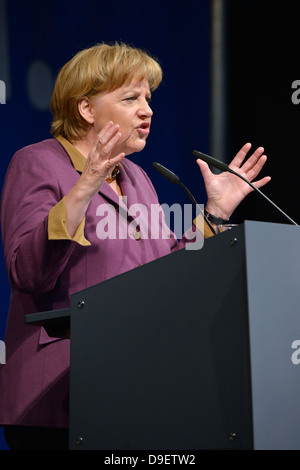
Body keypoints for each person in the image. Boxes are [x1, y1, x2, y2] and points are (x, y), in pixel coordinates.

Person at [0, 42, 270, 450]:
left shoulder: (139, 178)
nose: (147, 110)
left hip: (129, 393)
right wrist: (85, 185)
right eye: (131, 98)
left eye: (148, 98)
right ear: (86, 109)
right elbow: (27, 271)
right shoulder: (37, 162)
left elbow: (162, 277)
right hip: (56, 400)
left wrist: (214, 215)